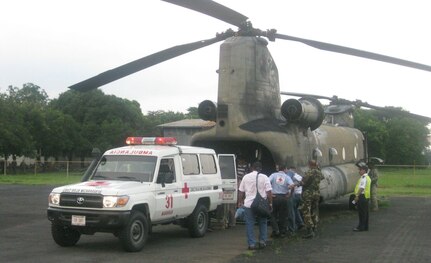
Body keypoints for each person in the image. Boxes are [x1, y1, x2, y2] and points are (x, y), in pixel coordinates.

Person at [238, 161, 273, 250]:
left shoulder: (246, 177)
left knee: (249, 223)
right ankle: (262, 241)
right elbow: (269, 192)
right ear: (260, 169)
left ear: (252, 168)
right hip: (261, 204)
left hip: (249, 204)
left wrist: (240, 201)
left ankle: (251, 244)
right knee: (263, 222)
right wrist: (270, 203)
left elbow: (241, 191)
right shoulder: (265, 177)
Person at [268, 164, 294, 238]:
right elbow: (292, 185)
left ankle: (276, 230)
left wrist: (270, 193)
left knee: (272, 214)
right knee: (283, 215)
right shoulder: (287, 177)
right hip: (283, 197)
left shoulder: (273, 175)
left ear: (278, 169)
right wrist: (290, 194)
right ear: (285, 169)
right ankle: (282, 232)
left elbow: (266, 182)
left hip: (274, 197)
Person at [300, 160, 324, 238]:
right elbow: (322, 177)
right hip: (316, 194)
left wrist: (296, 184)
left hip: (308, 194)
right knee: (315, 210)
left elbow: (303, 182)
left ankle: (309, 230)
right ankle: (314, 227)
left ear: (310, 165)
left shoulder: (309, 172)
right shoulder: (319, 172)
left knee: (306, 211)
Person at [353, 162, 371, 231]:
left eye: (360, 170)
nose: (359, 171)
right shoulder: (367, 177)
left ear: (364, 170)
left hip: (362, 197)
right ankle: (365, 227)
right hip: (366, 197)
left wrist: (357, 195)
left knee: (361, 213)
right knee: (365, 213)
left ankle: (361, 227)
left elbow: (362, 188)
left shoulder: (363, 178)